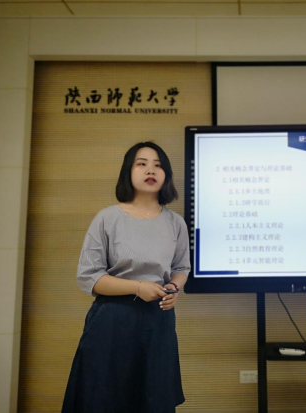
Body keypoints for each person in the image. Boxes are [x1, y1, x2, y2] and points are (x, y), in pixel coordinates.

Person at [62, 142, 190, 413]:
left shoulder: (176, 222)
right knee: (104, 401)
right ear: (128, 172)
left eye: (158, 165)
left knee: (154, 400)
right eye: (141, 164)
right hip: (112, 321)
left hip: (158, 321)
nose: (150, 170)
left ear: (166, 174)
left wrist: (173, 287)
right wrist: (138, 287)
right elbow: (89, 276)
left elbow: (181, 267)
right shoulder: (107, 218)